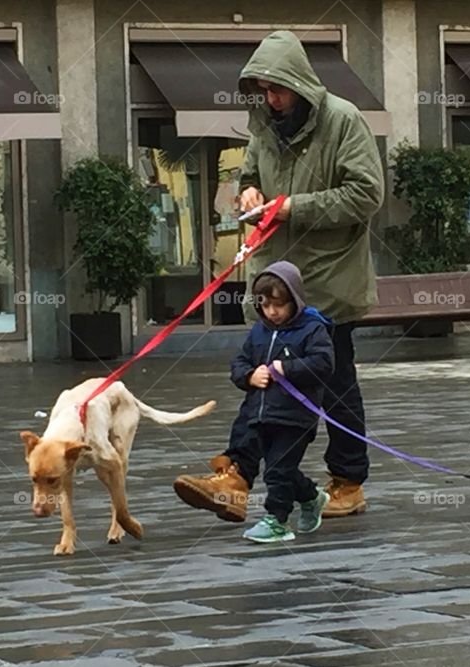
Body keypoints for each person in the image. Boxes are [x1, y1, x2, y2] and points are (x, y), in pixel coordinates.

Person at [173, 30, 384, 520]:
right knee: (264, 380)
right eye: (263, 90)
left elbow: (366, 195)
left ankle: (348, 481)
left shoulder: (343, 121)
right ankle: (239, 477)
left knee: (335, 386)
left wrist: (292, 207)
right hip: (276, 282)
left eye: (278, 89)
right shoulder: (265, 126)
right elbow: (249, 175)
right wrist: (248, 193)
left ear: (300, 84)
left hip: (329, 283)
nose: (271, 99)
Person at [230, 261, 333, 543]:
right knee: (280, 466)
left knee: (278, 469)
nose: (273, 312)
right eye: (265, 305)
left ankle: (276, 519)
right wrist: (249, 376)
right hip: (261, 414)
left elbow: (324, 364)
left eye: (280, 305)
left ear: (295, 300)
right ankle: (311, 497)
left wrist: (287, 368)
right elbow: (240, 362)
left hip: (296, 417)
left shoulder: (313, 328)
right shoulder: (259, 332)